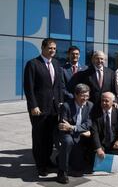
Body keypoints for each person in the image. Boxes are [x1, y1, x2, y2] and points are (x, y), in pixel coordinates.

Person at [23, 38, 63, 176]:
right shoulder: (33, 64)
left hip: (53, 108)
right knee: (39, 137)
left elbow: (58, 86)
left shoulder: (57, 64)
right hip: (39, 108)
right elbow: (29, 88)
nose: (52, 51)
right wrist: (33, 105)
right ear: (43, 48)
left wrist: (60, 102)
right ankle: (40, 165)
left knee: (49, 138)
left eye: (54, 48)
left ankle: (47, 160)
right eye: (50, 48)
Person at [57, 83, 93, 184]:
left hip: (79, 134)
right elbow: (63, 126)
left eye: (87, 95)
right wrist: (78, 130)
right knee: (67, 141)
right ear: (75, 95)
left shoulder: (90, 105)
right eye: (82, 95)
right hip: (67, 134)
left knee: (78, 167)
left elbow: (88, 124)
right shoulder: (66, 106)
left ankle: (60, 158)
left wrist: (73, 127)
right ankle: (62, 172)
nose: (85, 98)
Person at [91, 92, 118, 173]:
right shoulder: (95, 113)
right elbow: (94, 132)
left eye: (107, 101)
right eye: (102, 101)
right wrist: (98, 148)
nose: (104, 103)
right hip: (102, 142)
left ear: (113, 102)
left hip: (114, 141)